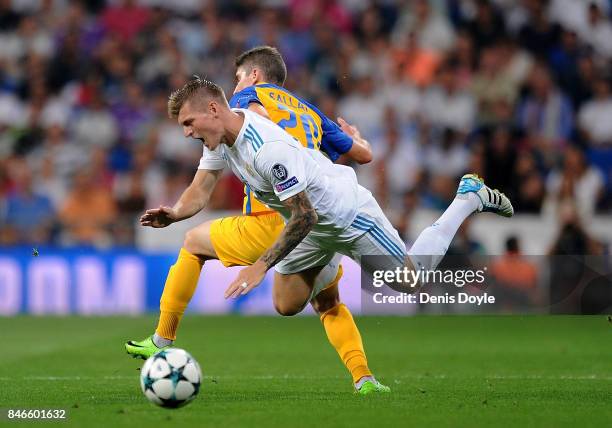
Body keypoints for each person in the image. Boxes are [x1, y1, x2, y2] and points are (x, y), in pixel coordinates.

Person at [149, 77, 513, 388]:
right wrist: (176, 212)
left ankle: (467, 198)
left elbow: (303, 215)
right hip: (311, 232)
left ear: (213, 110)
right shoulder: (221, 142)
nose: (187, 133)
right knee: (286, 305)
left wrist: (259, 266)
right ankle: (344, 324)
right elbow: (200, 190)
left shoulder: (267, 149)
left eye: (188, 122)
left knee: (411, 282)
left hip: (348, 217)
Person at [127, 47, 387, 394]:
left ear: (254, 76)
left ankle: (162, 339)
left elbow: (257, 120)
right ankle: (364, 378)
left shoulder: (247, 103)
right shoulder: (308, 111)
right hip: (320, 221)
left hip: (277, 218)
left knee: (192, 243)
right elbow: (363, 155)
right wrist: (355, 137)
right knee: (326, 303)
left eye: (237, 79)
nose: (235, 87)